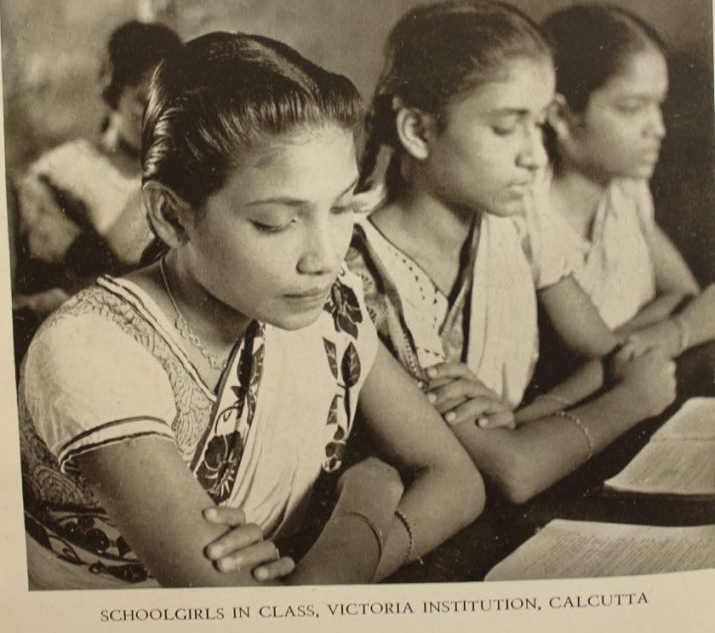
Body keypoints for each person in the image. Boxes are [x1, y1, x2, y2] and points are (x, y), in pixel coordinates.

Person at [18, 31, 483, 590]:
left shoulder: (328, 304)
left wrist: (326, 574)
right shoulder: (91, 348)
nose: (326, 258)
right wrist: (368, 497)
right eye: (275, 222)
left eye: (342, 208)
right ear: (171, 216)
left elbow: (459, 481)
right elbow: (255, 618)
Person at [347, 0, 676, 504]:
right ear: (418, 131)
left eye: (537, 124)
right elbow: (513, 471)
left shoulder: (514, 218)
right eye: (504, 127)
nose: (535, 156)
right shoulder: (365, 278)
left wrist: (522, 418)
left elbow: (606, 353)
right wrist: (634, 400)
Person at [541, 4, 715, 357]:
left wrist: (635, 342)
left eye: (658, 105)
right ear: (561, 115)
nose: (658, 128)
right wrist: (672, 330)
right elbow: (598, 354)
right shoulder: (531, 218)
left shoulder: (624, 189)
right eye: (631, 108)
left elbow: (684, 293)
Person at [12, 20, 182, 326]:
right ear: (115, 92)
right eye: (143, 102)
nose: (155, 118)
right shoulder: (66, 170)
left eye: (167, 104)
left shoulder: (184, 180)